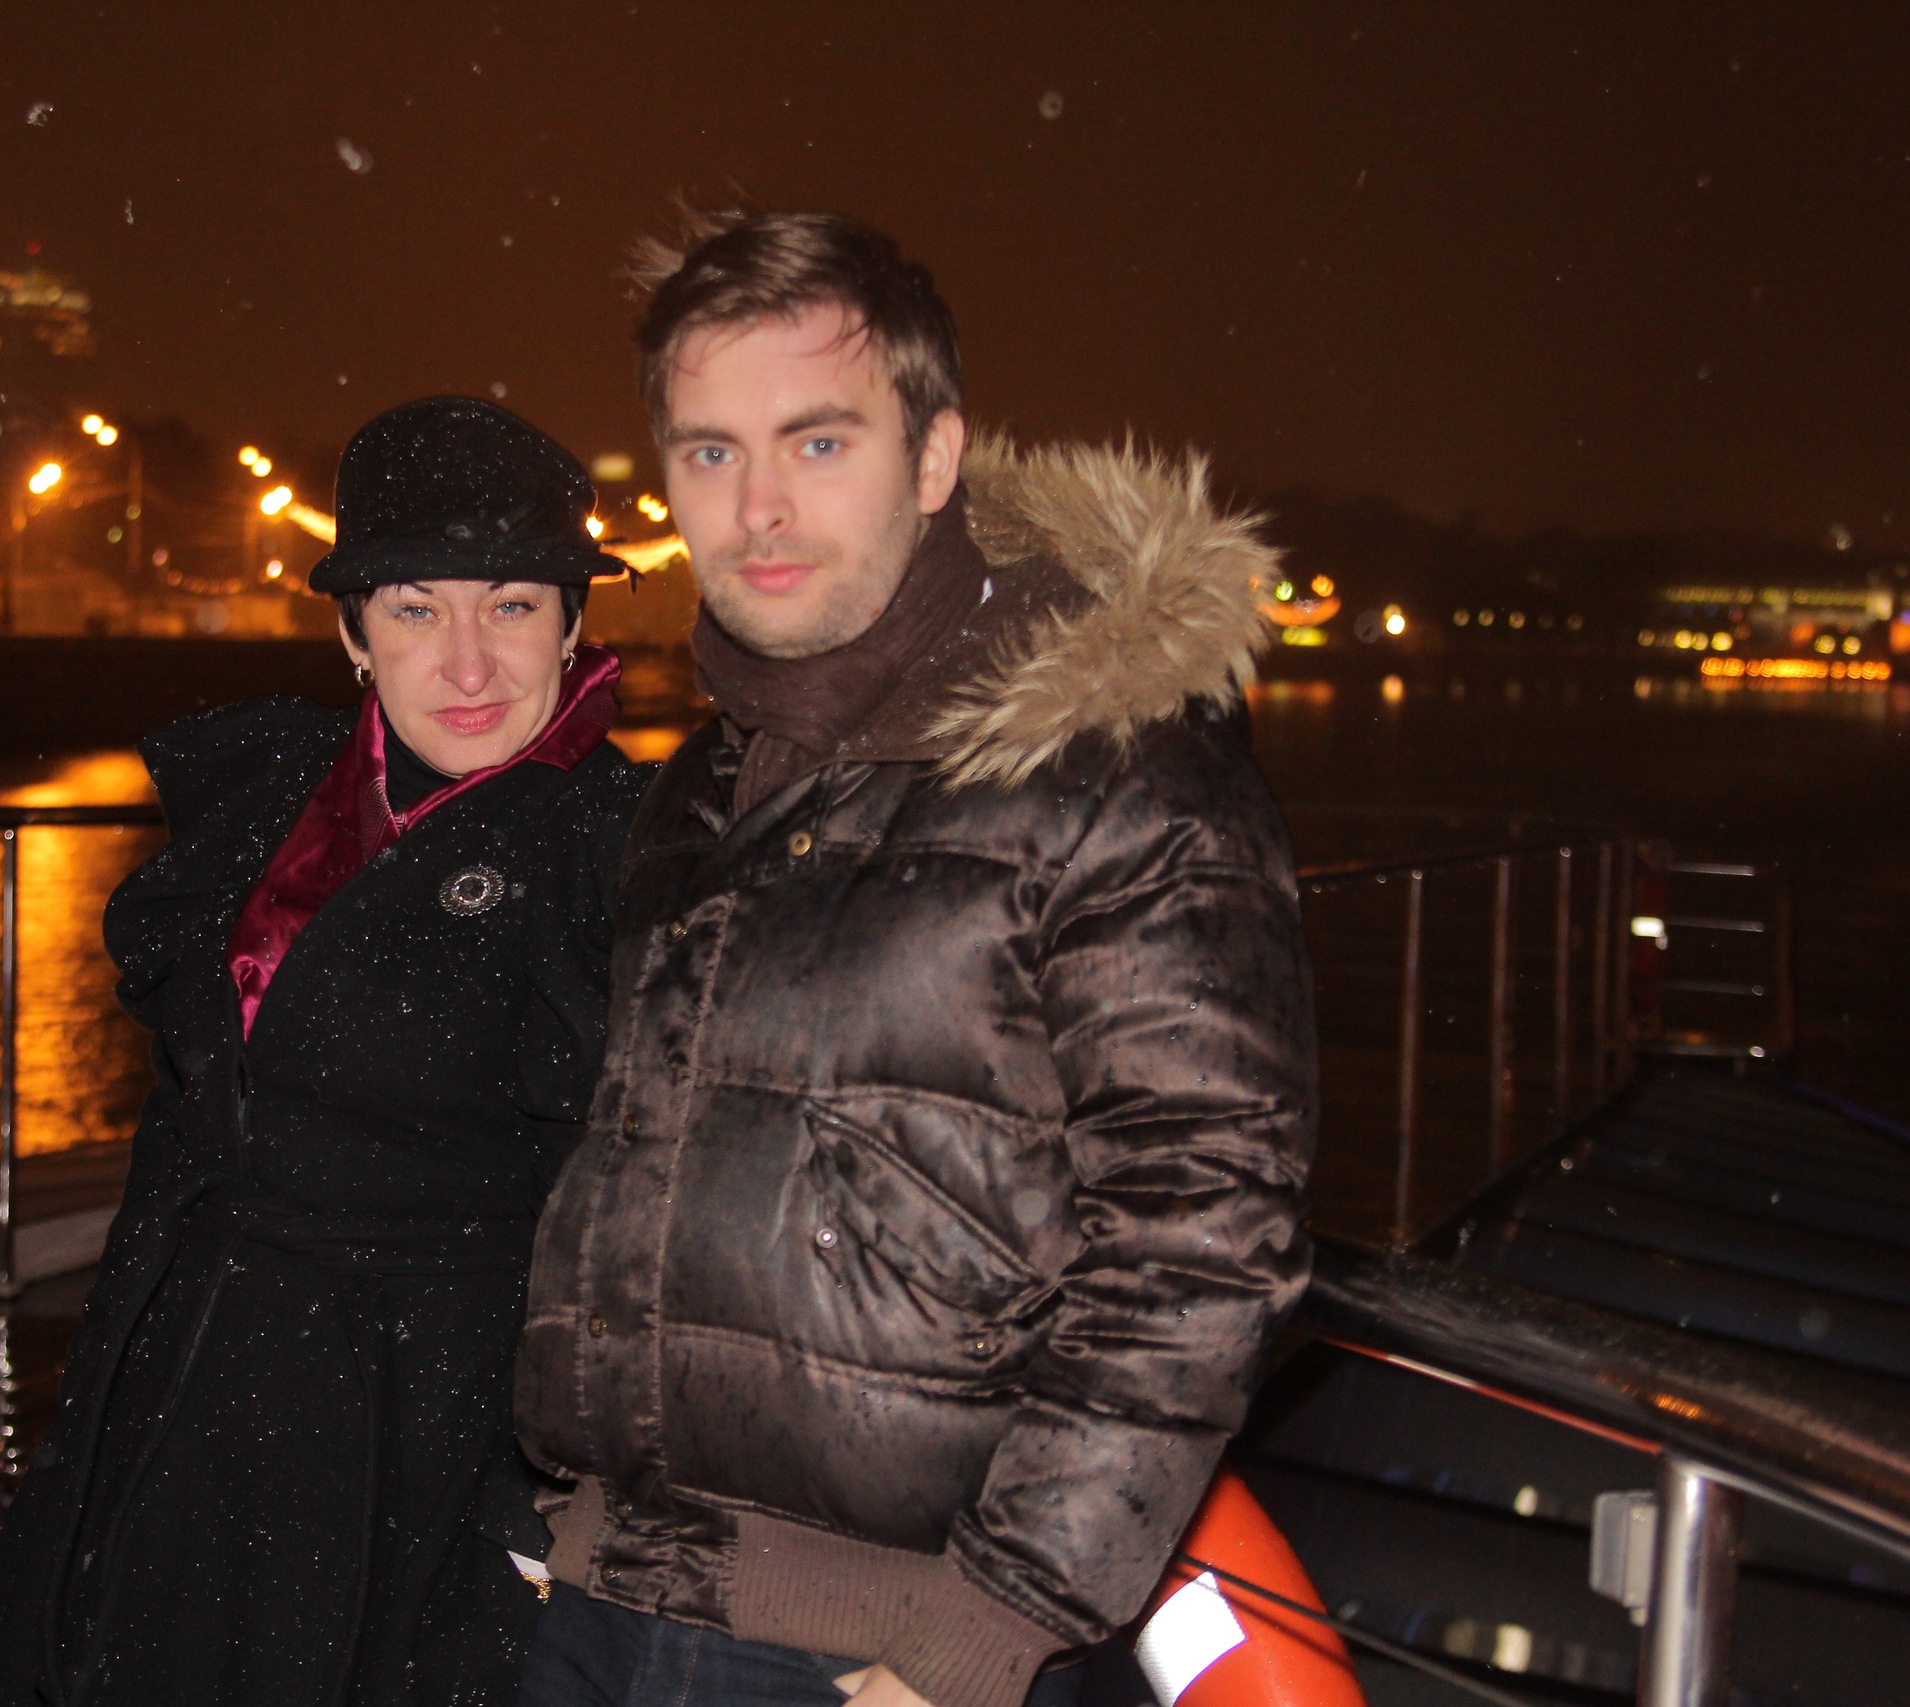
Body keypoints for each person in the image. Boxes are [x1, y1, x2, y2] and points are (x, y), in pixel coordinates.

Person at [513, 211, 1320, 1707]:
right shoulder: (705, 786)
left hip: (880, 1653)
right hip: (604, 1602)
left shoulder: (1116, 769)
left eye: (818, 444)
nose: (758, 507)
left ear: (937, 458)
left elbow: (1203, 1231)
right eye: (710, 452)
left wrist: (989, 1629)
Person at [0, 397, 651, 1707]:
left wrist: (548, 1499)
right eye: (415, 610)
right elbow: (184, 1129)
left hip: (432, 1437)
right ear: (353, 635)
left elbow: (640, 1226)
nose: (469, 666)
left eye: (510, 607)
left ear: (572, 625)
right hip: (188, 1396)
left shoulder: (620, 859)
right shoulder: (268, 797)